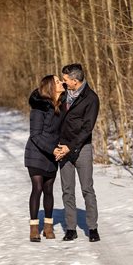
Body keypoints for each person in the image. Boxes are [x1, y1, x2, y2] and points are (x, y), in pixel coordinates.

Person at [55, 63, 100, 242]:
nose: (64, 82)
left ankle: (93, 228)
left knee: (87, 188)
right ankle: (71, 228)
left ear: (75, 81)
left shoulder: (91, 98)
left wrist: (70, 147)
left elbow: (87, 128)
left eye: (66, 80)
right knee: (67, 190)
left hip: (82, 148)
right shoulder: (62, 94)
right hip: (62, 147)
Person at [24, 75, 65, 242]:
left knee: (49, 189)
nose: (61, 82)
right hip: (36, 153)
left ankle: (48, 226)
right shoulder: (38, 108)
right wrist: (53, 149)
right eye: (57, 81)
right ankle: (34, 228)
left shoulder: (61, 106)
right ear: (50, 87)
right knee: (38, 187)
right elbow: (35, 135)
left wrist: (61, 147)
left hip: (52, 154)